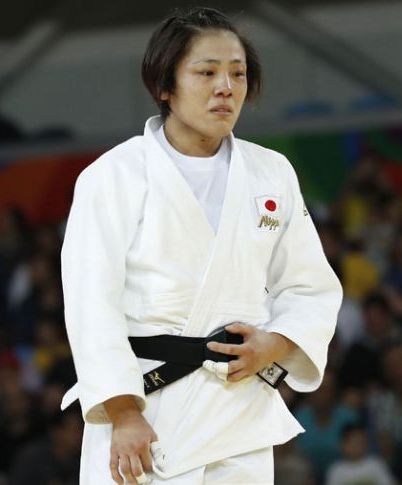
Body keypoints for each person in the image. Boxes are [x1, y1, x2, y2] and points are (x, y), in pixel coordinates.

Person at [58, 7, 342, 484]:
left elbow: (310, 286)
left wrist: (275, 342)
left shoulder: (271, 172)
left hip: (240, 412)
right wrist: (123, 412)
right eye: (207, 72)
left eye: (238, 73)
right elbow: (92, 306)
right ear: (164, 86)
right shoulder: (112, 176)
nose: (226, 87)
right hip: (147, 411)